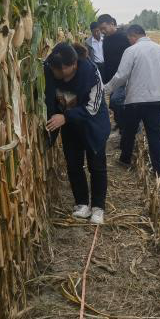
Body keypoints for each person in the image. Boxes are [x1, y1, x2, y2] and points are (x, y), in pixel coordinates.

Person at [44, 42, 110, 224]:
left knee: (96, 166)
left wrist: (65, 117)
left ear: (72, 65)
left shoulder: (91, 73)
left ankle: (98, 208)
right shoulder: (50, 69)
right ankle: (81, 204)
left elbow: (93, 107)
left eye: (60, 70)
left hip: (93, 125)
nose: (57, 74)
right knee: (73, 164)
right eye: (54, 70)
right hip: (70, 125)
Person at [104, 25, 160, 176]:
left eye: (129, 38)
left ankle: (125, 159)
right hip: (157, 99)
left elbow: (121, 76)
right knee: (154, 133)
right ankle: (159, 168)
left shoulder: (131, 51)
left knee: (129, 130)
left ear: (133, 36)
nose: (129, 41)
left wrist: (105, 90)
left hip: (136, 99)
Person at [97, 14, 130, 132]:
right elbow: (107, 60)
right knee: (114, 104)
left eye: (104, 28)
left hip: (123, 77)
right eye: (101, 29)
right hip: (112, 77)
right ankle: (120, 124)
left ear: (112, 24)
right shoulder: (105, 40)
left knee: (117, 102)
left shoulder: (124, 37)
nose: (102, 31)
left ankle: (127, 127)